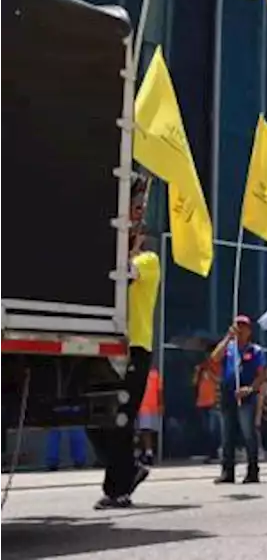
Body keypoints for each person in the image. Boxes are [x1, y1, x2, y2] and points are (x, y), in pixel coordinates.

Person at [90, 204, 160, 510]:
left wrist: (126, 245)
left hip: (136, 348)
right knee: (96, 420)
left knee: (121, 419)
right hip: (114, 347)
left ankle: (118, 488)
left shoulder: (149, 260)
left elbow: (125, 274)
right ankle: (128, 469)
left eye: (134, 232)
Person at [210, 315, 266, 485]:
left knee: (248, 434)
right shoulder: (229, 348)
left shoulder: (255, 350)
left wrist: (250, 388)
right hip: (228, 392)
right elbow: (215, 357)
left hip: (246, 393)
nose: (240, 330)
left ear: (249, 331)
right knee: (227, 434)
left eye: (243, 327)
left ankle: (252, 471)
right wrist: (227, 337)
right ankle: (227, 472)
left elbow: (262, 374)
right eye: (237, 326)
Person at [136, 368, 162, 465]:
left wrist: (160, 404)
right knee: (140, 431)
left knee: (146, 431)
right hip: (140, 406)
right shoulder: (136, 372)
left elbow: (159, 390)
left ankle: (148, 454)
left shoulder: (154, 373)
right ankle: (141, 453)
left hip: (150, 407)